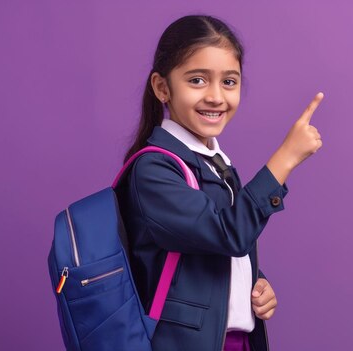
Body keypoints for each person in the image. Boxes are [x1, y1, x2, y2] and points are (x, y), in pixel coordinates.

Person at [116, 15, 323, 351]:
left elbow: (210, 250)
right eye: (197, 80)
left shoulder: (216, 164)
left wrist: (254, 283)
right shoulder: (154, 170)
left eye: (229, 82)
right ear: (162, 87)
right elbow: (228, 234)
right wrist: (285, 159)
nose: (216, 96)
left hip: (235, 340)